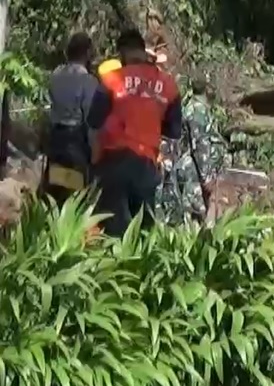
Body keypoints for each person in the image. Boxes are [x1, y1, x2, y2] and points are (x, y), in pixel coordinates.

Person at [87, 28, 183, 237]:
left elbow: (94, 121)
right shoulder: (168, 85)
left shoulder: (112, 79)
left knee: (113, 232)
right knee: (142, 233)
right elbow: (174, 131)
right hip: (146, 167)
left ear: (122, 53)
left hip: (114, 164)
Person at [40, 32, 100, 205]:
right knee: (75, 198)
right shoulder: (88, 81)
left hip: (55, 138)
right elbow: (91, 119)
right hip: (76, 142)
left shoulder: (56, 74)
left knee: (54, 193)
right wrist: (95, 152)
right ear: (87, 53)